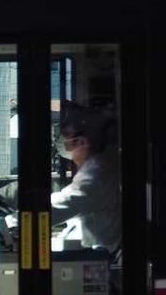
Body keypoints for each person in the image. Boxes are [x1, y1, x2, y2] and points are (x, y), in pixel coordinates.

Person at [50, 101, 121, 255]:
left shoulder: (96, 173)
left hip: (104, 257)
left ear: (82, 142)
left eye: (66, 135)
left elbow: (63, 205)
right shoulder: (102, 164)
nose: (60, 140)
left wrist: (14, 220)